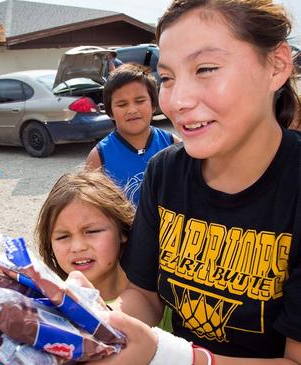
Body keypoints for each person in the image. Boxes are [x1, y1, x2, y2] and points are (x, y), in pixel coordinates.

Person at [85, 0, 301, 364]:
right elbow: (145, 293)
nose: (177, 101)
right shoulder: (164, 172)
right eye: (167, 78)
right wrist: (97, 323)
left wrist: (173, 356)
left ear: (277, 66)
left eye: (205, 68)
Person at [35, 170, 151, 322]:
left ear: (122, 231)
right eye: (63, 236)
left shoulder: (158, 292)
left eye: (92, 231)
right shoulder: (47, 306)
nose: (77, 247)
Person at [86, 63, 180, 206]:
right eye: (122, 104)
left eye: (140, 101)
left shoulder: (173, 144)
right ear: (110, 112)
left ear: (154, 105)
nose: (132, 110)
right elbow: (93, 209)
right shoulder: (98, 157)